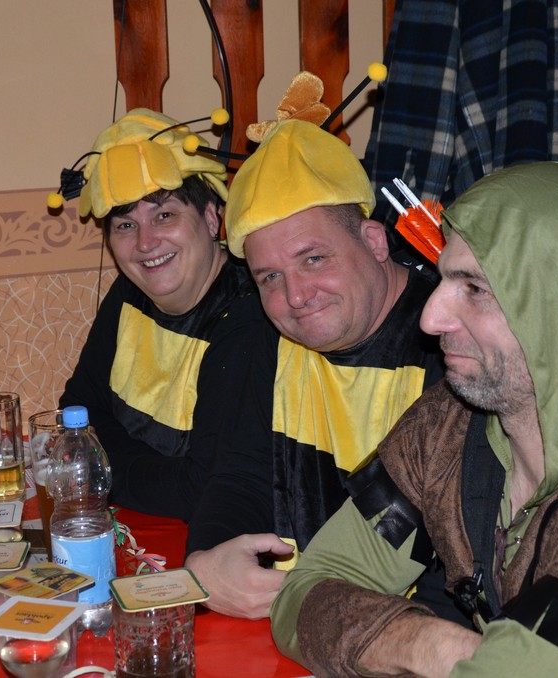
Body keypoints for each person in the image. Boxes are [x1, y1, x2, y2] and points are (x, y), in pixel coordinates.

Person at [270, 162, 558, 676]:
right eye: (444, 278)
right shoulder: (451, 422)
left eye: (475, 289)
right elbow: (305, 592)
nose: (430, 318)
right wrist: (427, 642)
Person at [188, 117, 457, 622]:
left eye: (313, 259)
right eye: (270, 276)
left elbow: (459, 562)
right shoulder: (266, 335)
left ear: (375, 242)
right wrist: (209, 558)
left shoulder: (450, 346)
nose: (295, 296)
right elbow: (241, 472)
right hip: (298, 619)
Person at [57, 110, 278, 592]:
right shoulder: (129, 294)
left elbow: (204, 487)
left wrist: (102, 466)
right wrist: (129, 467)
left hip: (219, 552)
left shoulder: (249, 316)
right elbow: (77, 414)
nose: (145, 243)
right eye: (125, 225)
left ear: (212, 217)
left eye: (164, 215)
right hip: (142, 533)